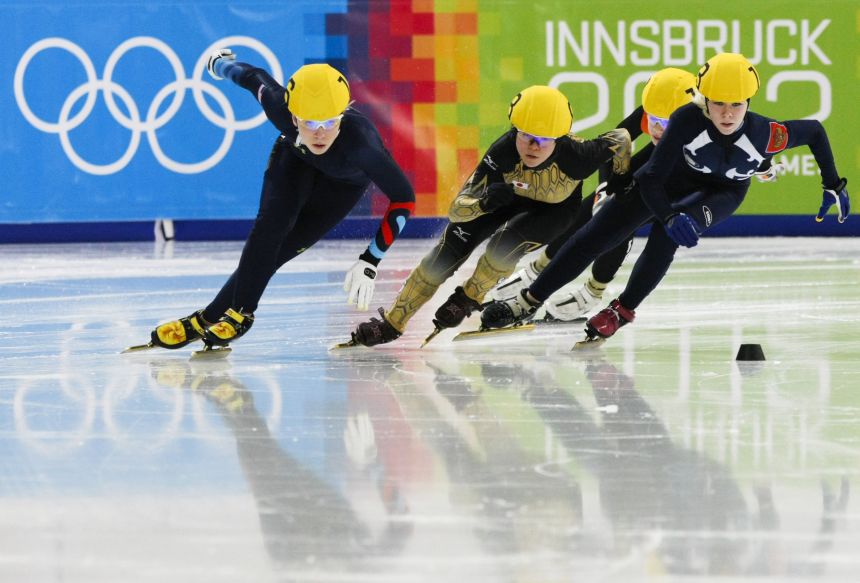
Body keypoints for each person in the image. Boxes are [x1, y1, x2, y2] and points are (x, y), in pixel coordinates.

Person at [481, 52, 850, 344]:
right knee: (599, 231)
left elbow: (815, 132)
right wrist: (664, 211)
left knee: (666, 236)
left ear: (749, 102)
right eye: (718, 104)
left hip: (722, 192)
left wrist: (833, 184)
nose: (726, 113)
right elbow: (652, 175)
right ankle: (528, 300)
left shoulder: (769, 134)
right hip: (673, 179)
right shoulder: (687, 119)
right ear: (704, 100)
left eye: (736, 105)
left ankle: (622, 310)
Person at [146, 49, 415, 351]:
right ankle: (241, 314)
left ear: (343, 114)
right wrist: (219, 63)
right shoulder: (278, 106)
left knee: (280, 251)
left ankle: (207, 317)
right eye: (310, 123)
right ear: (293, 115)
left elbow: (404, 198)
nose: (320, 134)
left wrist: (371, 259)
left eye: (329, 122)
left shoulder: (362, 146)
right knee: (269, 229)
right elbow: (251, 77)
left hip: (342, 185)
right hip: (295, 160)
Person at [347, 85, 632, 346]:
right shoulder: (503, 152)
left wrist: (619, 179)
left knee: (501, 248)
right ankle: (392, 323)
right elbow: (457, 210)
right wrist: (483, 203)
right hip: (502, 200)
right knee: (442, 257)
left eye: (543, 139)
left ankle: (469, 297)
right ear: (514, 129)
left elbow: (622, 139)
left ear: (558, 139)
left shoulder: (580, 155)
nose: (533, 146)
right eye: (526, 135)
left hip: (554, 210)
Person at [487, 67, 697, 322]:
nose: (657, 128)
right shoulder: (659, 106)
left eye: (667, 123)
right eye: (653, 118)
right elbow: (614, 146)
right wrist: (605, 188)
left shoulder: (700, 127)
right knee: (597, 207)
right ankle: (538, 269)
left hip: (683, 177)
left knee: (621, 220)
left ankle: (593, 291)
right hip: (658, 160)